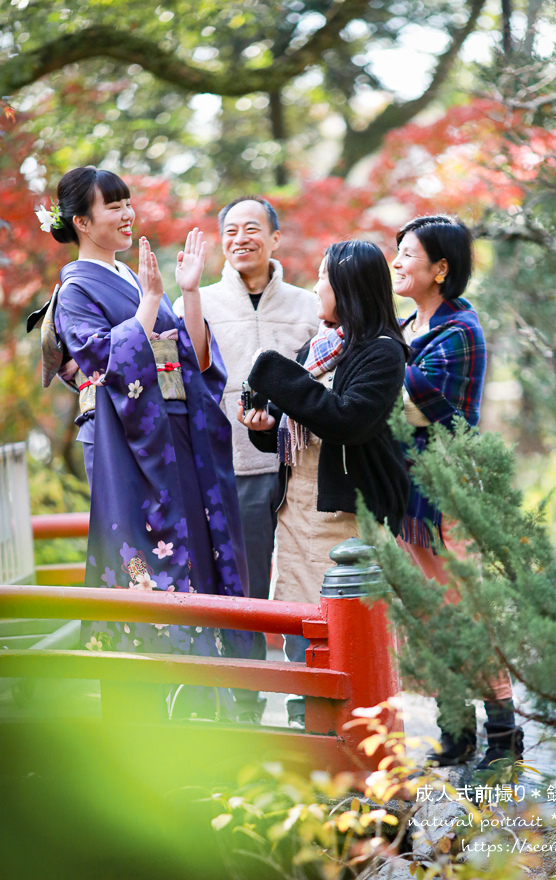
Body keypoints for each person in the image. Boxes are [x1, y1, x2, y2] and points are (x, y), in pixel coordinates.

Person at [32, 166, 250, 719]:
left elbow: (193, 358)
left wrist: (189, 292)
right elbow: (102, 361)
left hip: (174, 431)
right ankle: (147, 705)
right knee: (142, 549)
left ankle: (206, 697)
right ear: (82, 222)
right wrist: (150, 304)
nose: (128, 214)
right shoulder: (76, 289)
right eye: (114, 206)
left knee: (192, 543)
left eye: (128, 203)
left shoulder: (131, 276)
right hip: (126, 440)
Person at [238, 239, 410, 728]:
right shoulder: (319, 348)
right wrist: (264, 426)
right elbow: (294, 426)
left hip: (344, 516)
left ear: (349, 289)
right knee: (299, 621)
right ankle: (305, 723)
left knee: (345, 629)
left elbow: (347, 420)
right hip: (297, 509)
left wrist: (273, 370)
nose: (315, 289)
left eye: (323, 279)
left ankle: (355, 733)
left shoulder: (382, 353)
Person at [174, 196, 319, 723]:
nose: (241, 238)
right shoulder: (200, 302)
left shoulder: (308, 305)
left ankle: (310, 700)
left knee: (305, 583)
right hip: (235, 468)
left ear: (275, 238)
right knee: (247, 590)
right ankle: (246, 704)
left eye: (253, 228)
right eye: (231, 230)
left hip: (301, 468)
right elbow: (184, 370)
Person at [393, 214, 524, 770]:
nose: (396, 262)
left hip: (447, 490)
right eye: (397, 252)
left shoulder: (459, 331)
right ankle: (457, 729)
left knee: (463, 609)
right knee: (428, 610)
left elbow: (415, 409)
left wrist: (378, 368)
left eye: (408, 254)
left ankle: (505, 733)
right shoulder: (405, 327)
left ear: (440, 268)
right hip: (408, 489)